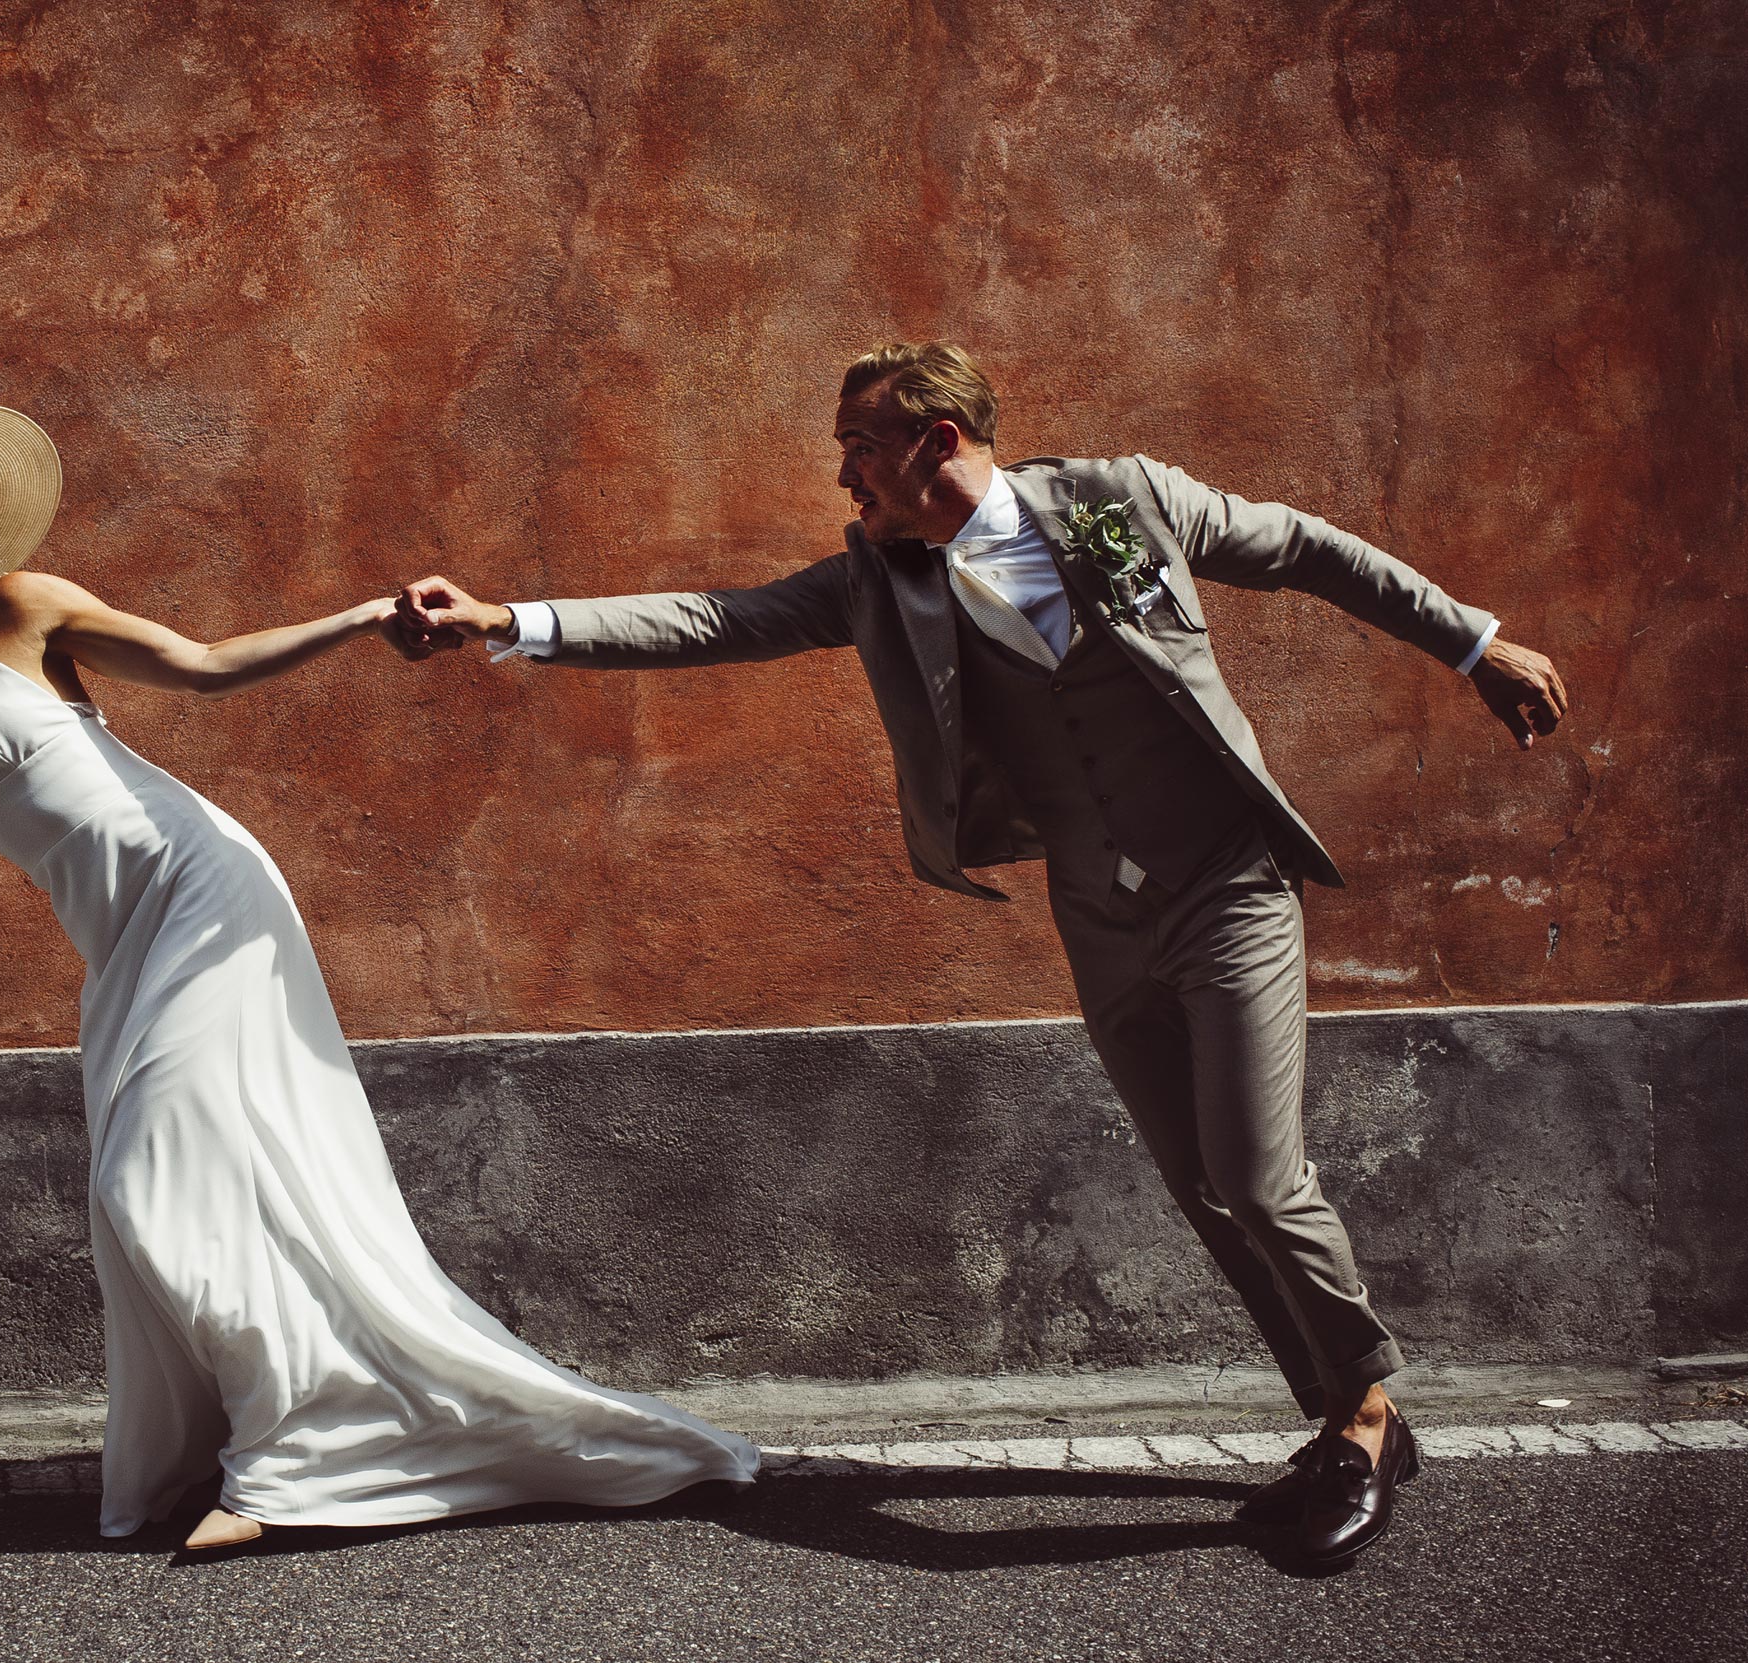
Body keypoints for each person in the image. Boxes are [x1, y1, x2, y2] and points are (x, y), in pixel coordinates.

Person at [393, 341, 1568, 1566]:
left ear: (933, 441)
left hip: (1225, 887)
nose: (844, 472)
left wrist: (1474, 644)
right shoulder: (877, 580)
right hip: (1097, 915)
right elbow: (714, 619)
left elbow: (1309, 548)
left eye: (858, 444)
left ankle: (1368, 1417)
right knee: (1200, 1184)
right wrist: (504, 620)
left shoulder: (1126, 502)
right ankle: (1337, 1416)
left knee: (1259, 1174)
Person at [0, 402, 756, 1550]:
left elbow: (206, 667)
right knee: (189, 1192)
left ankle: (286, 1466)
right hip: (120, 945)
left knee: (145, 1182)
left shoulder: (23, 610)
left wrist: (368, 614)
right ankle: (260, 1435)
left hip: (203, 890)